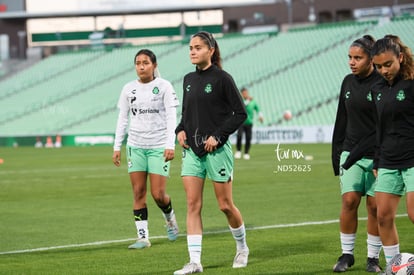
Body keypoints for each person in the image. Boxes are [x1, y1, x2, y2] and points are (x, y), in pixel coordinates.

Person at [174, 31, 249, 274]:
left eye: (197, 47)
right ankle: (194, 261)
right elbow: (186, 114)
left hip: (217, 151)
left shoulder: (223, 79)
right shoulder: (187, 79)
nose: (192, 52)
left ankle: (242, 247)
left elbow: (240, 113)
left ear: (211, 50)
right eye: (190, 48)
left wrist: (218, 136)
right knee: (192, 204)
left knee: (225, 205)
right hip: (193, 151)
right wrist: (180, 130)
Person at [112, 49, 180, 249]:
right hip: (136, 146)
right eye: (138, 63)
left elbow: (171, 117)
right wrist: (117, 147)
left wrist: (170, 144)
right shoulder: (128, 89)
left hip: (159, 146)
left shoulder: (164, 86)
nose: (141, 66)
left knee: (158, 194)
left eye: (146, 63)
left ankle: (169, 218)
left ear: (154, 65)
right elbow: (123, 118)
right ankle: (143, 237)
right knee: (138, 192)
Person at [331, 35, 383, 273]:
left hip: (377, 155)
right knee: (349, 201)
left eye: (357, 58)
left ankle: (372, 258)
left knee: (374, 207)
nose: (352, 62)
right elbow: (341, 118)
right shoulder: (347, 82)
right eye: (350, 58)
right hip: (349, 152)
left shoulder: (382, 83)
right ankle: (347, 254)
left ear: (371, 58)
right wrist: (336, 153)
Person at [370, 34, 414, 269]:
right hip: (387, 159)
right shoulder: (377, 88)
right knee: (383, 216)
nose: (383, 70)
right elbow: (380, 127)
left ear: (400, 57)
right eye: (378, 66)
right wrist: (377, 159)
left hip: (413, 159)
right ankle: (394, 268)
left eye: (388, 64)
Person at [234, 87, 263, 160]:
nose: (245, 94)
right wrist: (247, 100)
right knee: (239, 136)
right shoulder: (240, 100)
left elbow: (258, 109)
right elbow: (242, 106)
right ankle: (238, 151)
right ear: (241, 94)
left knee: (248, 138)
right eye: (243, 93)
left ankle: (246, 153)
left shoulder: (253, 101)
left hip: (249, 123)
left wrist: (260, 116)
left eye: (246, 93)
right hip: (240, 122)